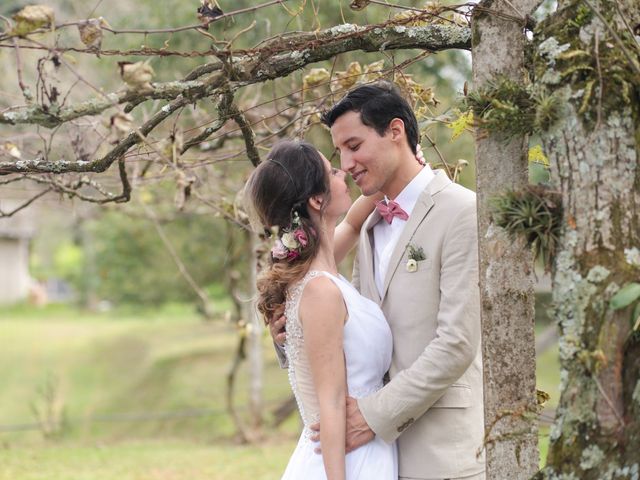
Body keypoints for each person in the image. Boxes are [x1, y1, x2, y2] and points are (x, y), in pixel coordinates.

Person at [270, 82, 486, 480]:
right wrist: (288, 335)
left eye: (353, 145)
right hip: (370, 458)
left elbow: (456, 344)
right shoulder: (366, 223)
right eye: (338, 155)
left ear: (395, 131)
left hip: (439, 455)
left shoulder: (461, 211)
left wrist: (372, 416)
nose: (347, 164)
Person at [245, 140, 398, 480]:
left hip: (368, 448)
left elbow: (355, 223)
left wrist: (400, 160)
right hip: (345, 460)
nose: (343, 171)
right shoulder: (319, 291)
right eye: (332, 172)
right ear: (317, 199)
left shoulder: (319, 271)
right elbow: (331, 403)